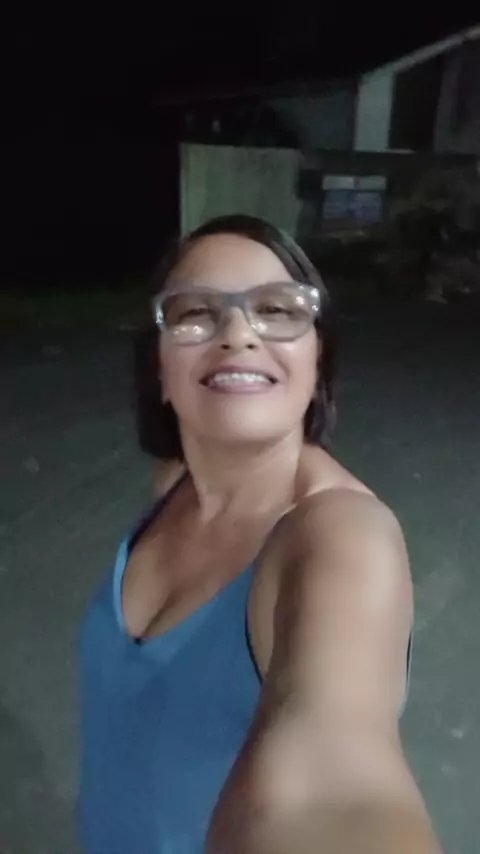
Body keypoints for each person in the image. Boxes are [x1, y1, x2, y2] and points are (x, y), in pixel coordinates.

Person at [78, 215, 441, 853]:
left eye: (276, 310)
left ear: (317, 360)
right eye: (196, 312)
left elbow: (335, 774)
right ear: (160, 368)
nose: (237, 334)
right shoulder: (173, 486)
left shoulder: (339, 535)